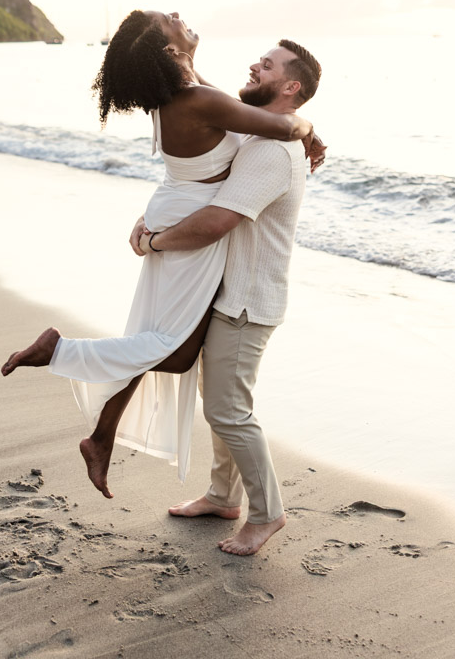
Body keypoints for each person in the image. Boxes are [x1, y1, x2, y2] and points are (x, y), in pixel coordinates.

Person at [1, 10, 322, 501]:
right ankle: (59, 351)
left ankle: (103, 436)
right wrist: (306, 124)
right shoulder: (199, 99)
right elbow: (282, 127)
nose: (178, 14)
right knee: (171, 347)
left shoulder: (186, 93)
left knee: (161, 339)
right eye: (168, 21)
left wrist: (295, 126)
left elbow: (239, 108)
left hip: (174, 211)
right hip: (188, 226)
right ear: (171, 53)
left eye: (269, 65)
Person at [129, 37, 320, 555]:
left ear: (291, 85)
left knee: (229, 410)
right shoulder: (257, 134)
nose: (255, 64)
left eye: (268, 65)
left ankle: (267, 514)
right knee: (219, 403)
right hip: (228, 293)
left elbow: (216, 221)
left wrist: (154, 241)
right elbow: (202, 93)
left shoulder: (273, 154)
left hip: (247, 301)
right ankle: (221, 496)